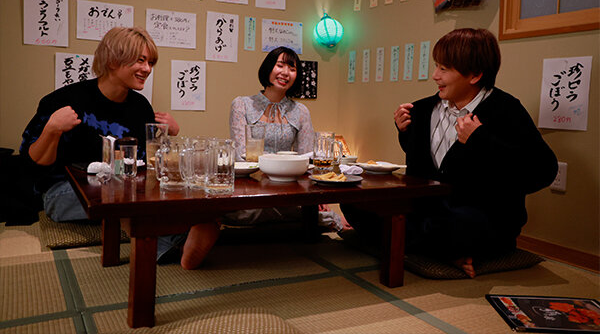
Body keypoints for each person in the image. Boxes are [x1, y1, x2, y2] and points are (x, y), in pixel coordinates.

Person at [341, 28, 558, 278]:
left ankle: (422, 244)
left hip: (479, 216)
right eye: (436, 66)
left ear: (475, 75)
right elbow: (424, 167)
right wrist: (405, 133)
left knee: (456, 226)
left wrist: (480, 140)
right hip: (425, 210)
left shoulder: (506, 110)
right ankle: (445, 251)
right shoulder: (421, 109)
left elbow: (543, 171)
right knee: (353, 201)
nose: (435, 75)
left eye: (444, 69)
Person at [176, 47, 346, 270]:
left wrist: (316, 195)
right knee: (212, 211)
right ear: (268, 68)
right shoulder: (242, 104)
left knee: (318, 214)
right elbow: (240, 156)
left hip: (287, 190)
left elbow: (306, 158)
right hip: (248, 188)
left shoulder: (301, 111)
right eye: (280, 65)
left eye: (292, 68)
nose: (285, 72)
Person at [20, 26, 179, 223]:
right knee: (141, 204)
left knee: (171, 202)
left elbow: (145, 167)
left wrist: (168, 134)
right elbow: (31, 163)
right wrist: (52, 129)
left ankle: (162, 240)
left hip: (123, 189)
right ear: (112, 61)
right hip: (65, 193)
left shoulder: (141, 107)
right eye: (140, 60)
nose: (147, 69)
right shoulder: (64, 100)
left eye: (150, 62)